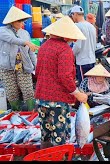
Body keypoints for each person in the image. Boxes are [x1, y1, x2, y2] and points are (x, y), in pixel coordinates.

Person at [35, 16, 88, 149]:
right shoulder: (65, 50)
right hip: (57, 102)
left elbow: (37, 71)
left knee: (46, 133)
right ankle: (59, 156)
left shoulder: (43, 47)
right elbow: (64, 77)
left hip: (41, 97)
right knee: (59, 135)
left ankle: (46, 156)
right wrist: (77, 94)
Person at [0, 6, 39, 111]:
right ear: (12, 21)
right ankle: (16, 113)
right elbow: (12, 39)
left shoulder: (25, 33)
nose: (22, 23)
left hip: (24, 65)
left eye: (23, 21)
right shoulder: (2, 31)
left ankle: (32, 112)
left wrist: (37, 66)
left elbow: (31, 52)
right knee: (11, 91)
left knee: (28, 90)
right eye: (20, 21)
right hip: (7, 67)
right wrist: (25, 42)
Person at [70, 6, 97, 84]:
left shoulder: (77, 26)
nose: (72, 16)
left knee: (83, 85)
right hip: (92, 59)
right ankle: (90, 96)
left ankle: (86, 96)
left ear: (75, 14)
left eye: (72, 14)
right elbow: (94, 44)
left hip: (82, 61)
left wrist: (70, 54)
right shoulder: (92, 26)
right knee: (91, 84)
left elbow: (78, 46)